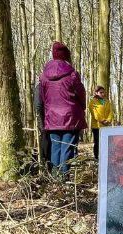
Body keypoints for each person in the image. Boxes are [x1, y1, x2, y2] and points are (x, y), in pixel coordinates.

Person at [39, 41, 86, 174]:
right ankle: (63, 180)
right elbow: (81, 94)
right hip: (70, 117)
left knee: (55, 147)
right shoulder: (72, 74)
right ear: (67, 56)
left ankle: (55, 178)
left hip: (52, 116)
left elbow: (43, 97)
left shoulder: (44, 76)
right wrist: (82, 107)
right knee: (67, 148)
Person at [88, 85, 113, 160]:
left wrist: (108, 120)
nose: (103, 94)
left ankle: (105, 157)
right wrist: (102, 120)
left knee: (106, 142)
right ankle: (97, 157)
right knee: (98, 143)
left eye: (103, 92)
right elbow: (94, 113)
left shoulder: (107, 101)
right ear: (96, 93)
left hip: (106, 126)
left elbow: (110, 112)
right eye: (101, 92)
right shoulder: (93, 102)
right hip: (97, 126)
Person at [33, 81, 50, 165]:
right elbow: (38, 106)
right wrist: (41, 123)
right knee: (44, 138)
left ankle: (47, 162)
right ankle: (44, 162)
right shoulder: (40, 87)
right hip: (44, 119)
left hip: (50, 119)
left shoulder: (49, 86)